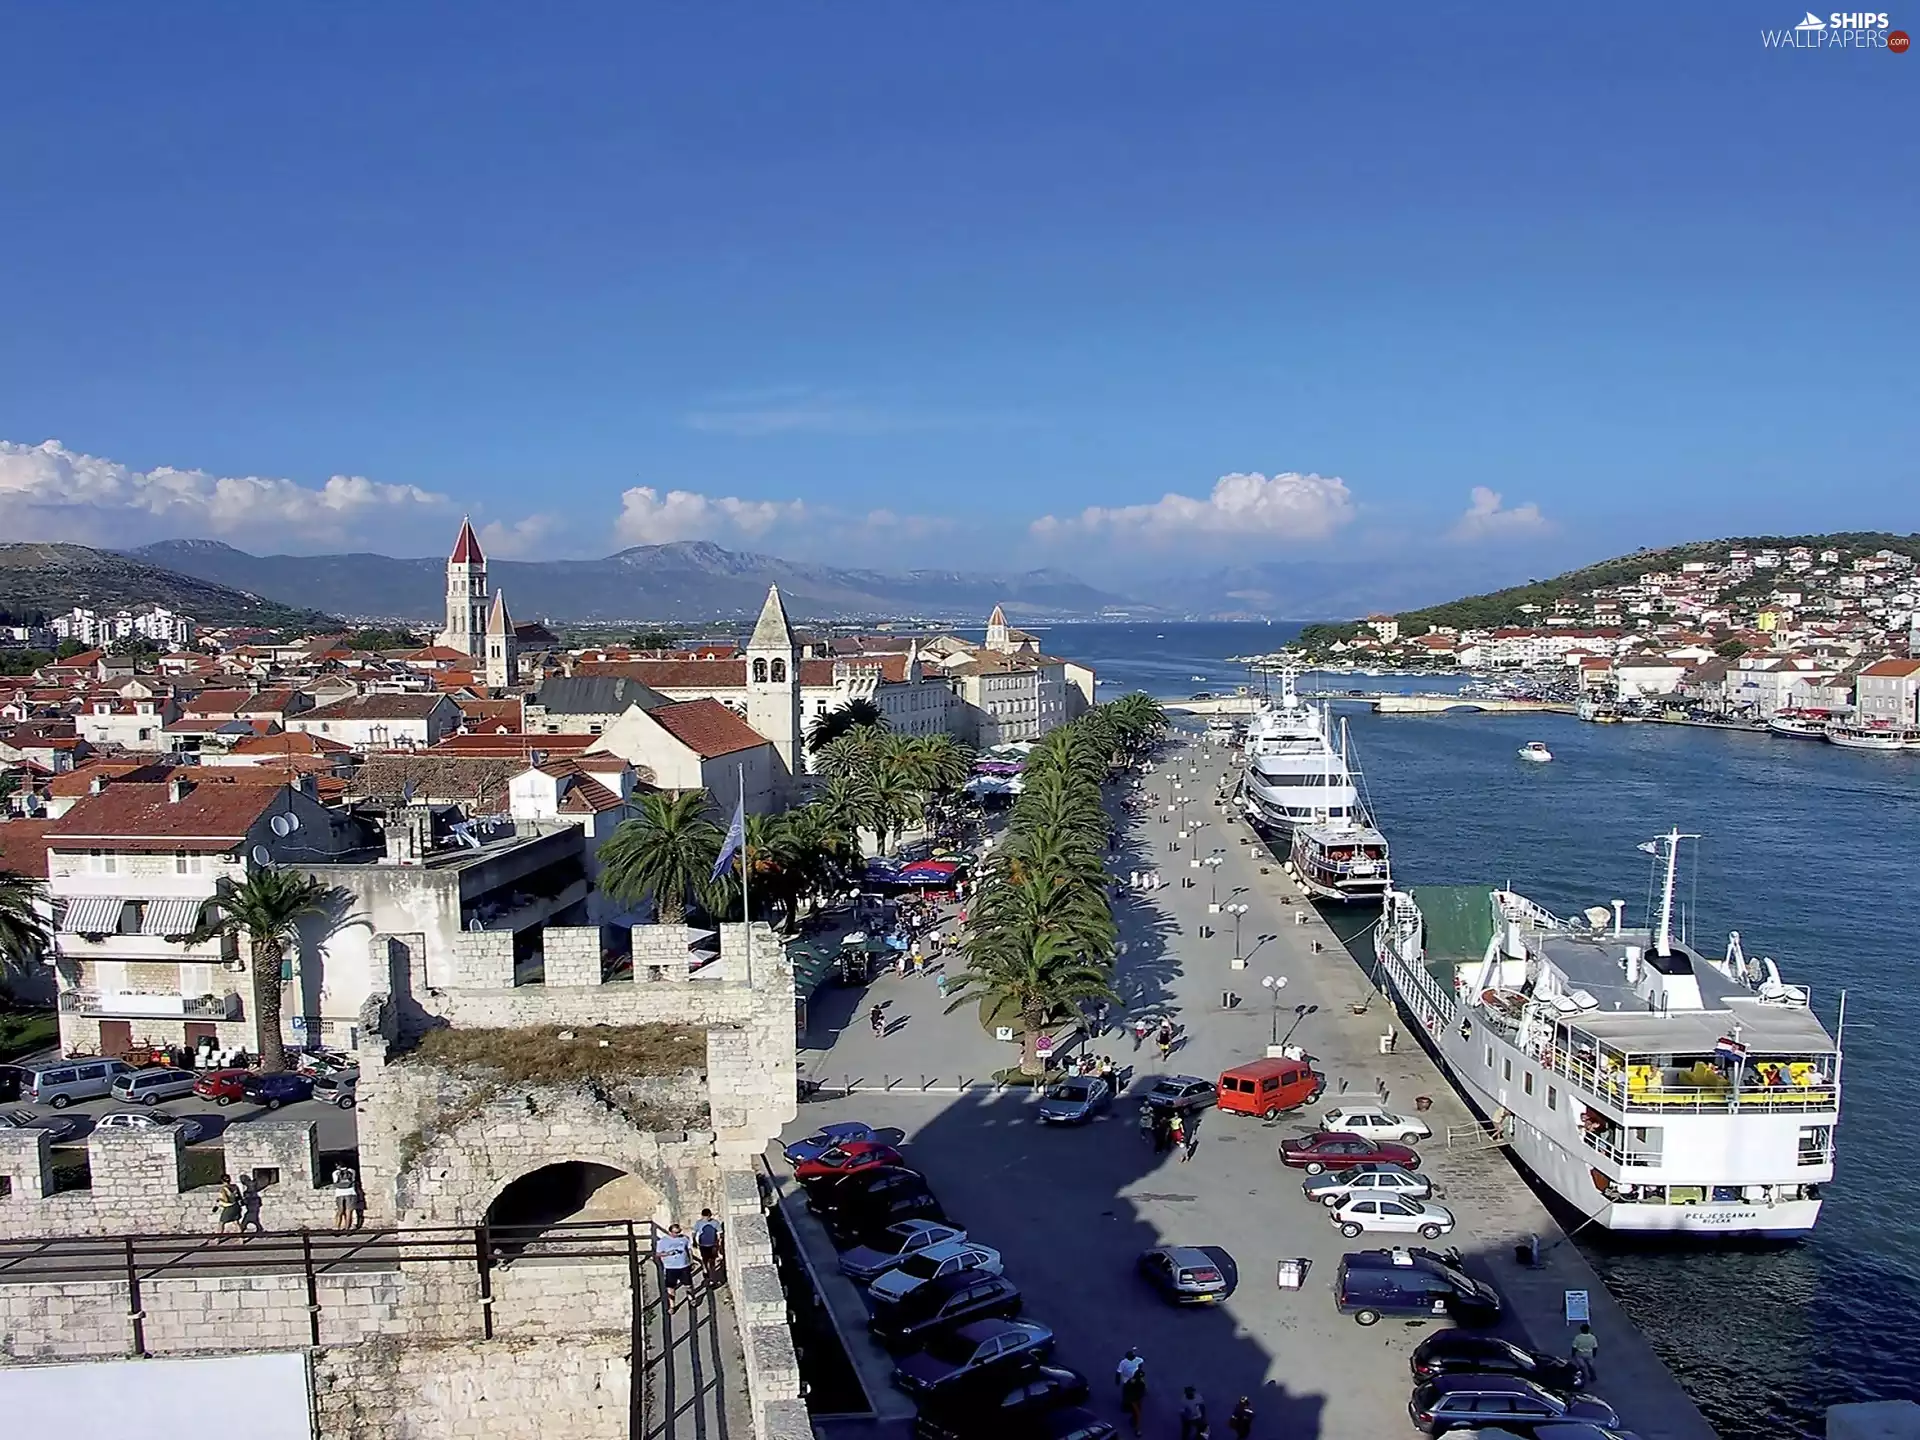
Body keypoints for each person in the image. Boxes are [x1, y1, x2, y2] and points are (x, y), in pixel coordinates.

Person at [657, 1222, 696, 1310]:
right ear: (670, 1232)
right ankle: (672, 1306)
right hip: (670, 1268)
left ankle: (691, 1298)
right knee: (671, 1288)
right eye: (675, 1233)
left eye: (679, 1232)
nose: (678, 1234)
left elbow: (689, 1250)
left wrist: (692, 1261)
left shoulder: (685, 1239)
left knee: (688, 1285)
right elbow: (658, 1254)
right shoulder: (663, 1241)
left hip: (684, 1266)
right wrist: (667, 1253)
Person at [1115, 1349, 1147, 1436]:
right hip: (1136, 1394)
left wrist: (1117, 1381)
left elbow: (1118, 1372)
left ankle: (1128, 1409)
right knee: (1137, 1410)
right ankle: (1137, 1428)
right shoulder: (1134, 1363)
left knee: (1135, 1408)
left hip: (1133, 1393)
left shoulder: (1125, 1363)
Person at [694, 1208, 725, 1286]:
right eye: (705, 1217)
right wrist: (694, 1241)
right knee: (704, 1260)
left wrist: (719, 1243)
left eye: (708, 1217)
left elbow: (719, 1233)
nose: (706, 1218)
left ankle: (712, 1278)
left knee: (712, 1261)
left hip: (713, 1245)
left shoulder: (715, 1223)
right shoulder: (698, 1223)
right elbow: (694, 1232)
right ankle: (706, 1272)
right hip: (703, 1245)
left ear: (710, 1215)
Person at [331, 1164, 360, 1231]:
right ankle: (347, 1228)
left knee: (340, 1210)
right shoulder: (352, 1171)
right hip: (351, 1192)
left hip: (339, 1193)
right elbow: (353, 1180)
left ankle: (337, 1228)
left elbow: (335, 1182)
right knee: (349, 1211)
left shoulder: (335, 1173)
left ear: (338, 1166)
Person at [215, 1173, 242, 1239]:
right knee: (236, 1222)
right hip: (236, 1206)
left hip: (229, 1207)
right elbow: (239, 1197)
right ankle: (241, 1239)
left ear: (222, 1180)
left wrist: (219, 1199)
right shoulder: (235, 1187)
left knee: (221, 1223)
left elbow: (226, 1200)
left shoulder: (223, 1189)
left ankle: (217, 1239)